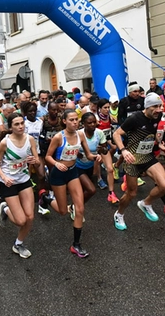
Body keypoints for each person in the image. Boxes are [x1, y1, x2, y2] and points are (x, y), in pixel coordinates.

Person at [41, 109, 101, 257]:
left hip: (73, 172)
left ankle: (76, 245)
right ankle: (46, 198)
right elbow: (47, 156)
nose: (75, 122)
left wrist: (96, 157)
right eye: (72, 120)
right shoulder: (58, 137)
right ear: (64, 121)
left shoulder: (80, 134)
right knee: (62, 211)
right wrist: (56, 164)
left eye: (76, 120)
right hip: (58, 174)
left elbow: (87, 154)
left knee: (79, 209)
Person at [112, 93, 165, 230]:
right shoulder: (135, 118)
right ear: (148, 106)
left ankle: (146, 203)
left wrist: (159, 143)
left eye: (160, 106)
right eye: (155, 107)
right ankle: (119, 214)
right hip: (132, 159)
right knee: (131, 193)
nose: (159, 109)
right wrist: (123, 150)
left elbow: (152, 132)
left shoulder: (158, 116)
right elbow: (116, 134)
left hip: (148, 156)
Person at [0, 113, 39, 259]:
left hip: (24, 179)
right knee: (20, 221)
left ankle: (18, 244)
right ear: (10, 127)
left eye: (21, 123)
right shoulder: (5, 143)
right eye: (16, 124)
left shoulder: (29, 139)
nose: (20, 127)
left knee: (30, 217)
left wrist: (33, 160)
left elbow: (37, 160)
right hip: (9, 182)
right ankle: (5, 208)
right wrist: (4, 177)